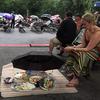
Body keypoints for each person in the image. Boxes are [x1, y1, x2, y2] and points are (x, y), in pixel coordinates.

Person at [64, 12, 100, 87]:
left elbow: (87, 49)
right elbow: (83, 44)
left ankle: (76, 78)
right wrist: (73, 48)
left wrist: (72, 48)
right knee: (73, 51)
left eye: (84, 24)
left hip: (96, 51)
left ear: (91, 22)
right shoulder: (86, 30)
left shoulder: (98, 33)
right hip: (89, 49)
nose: (82, 26)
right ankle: (72, 70)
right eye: (82, 24)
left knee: (81, 54)